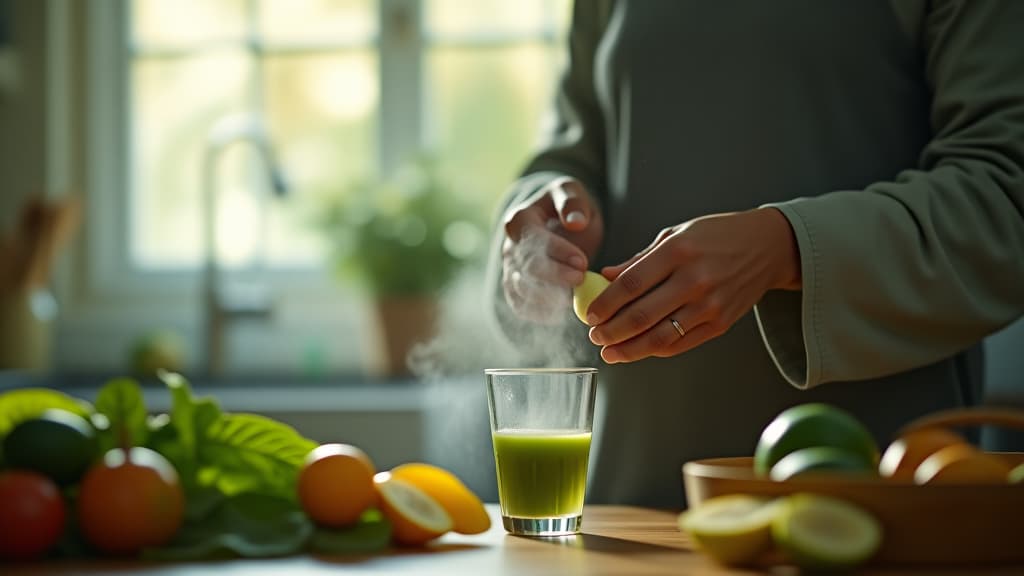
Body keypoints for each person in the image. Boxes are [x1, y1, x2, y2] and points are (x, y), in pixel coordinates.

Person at [487, 0, 1024, 508]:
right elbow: (570, 155)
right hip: (633, 507)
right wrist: (538, 234)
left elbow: (1006, 194)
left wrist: (787, 247)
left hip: (876, 498)